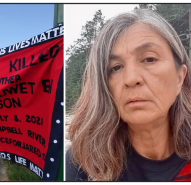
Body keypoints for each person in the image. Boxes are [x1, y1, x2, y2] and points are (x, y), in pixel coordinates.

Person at [66, 9, 191, 181]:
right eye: (115, 68)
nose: (131, 79)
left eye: (149, 59)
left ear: (180, 77)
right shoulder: (83, 165)